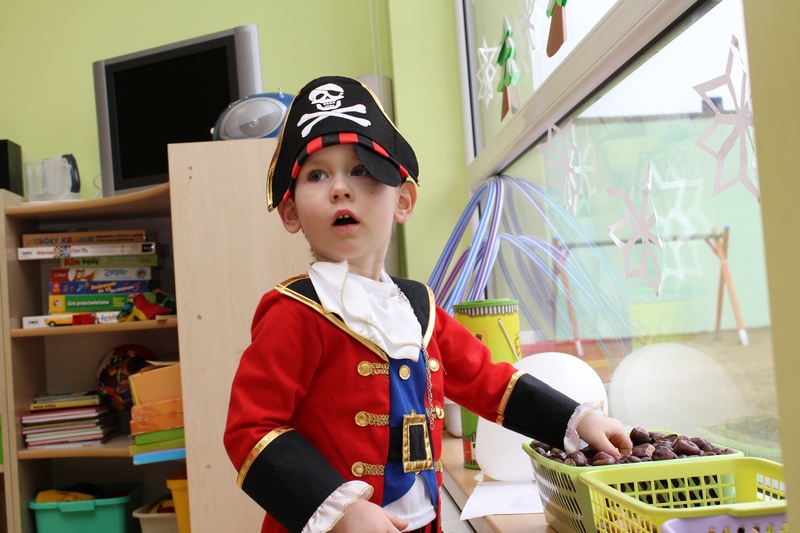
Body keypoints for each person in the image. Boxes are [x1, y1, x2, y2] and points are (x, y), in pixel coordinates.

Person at [224, 75, 632, 533]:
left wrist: (577, 421)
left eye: (361, 170)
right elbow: (251, 429)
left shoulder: (419, 308)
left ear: (403, 200)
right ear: (291, 211)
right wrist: (340, 510)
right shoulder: (294, 312)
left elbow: (490, 381)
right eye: (317, 175)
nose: (340, 188)